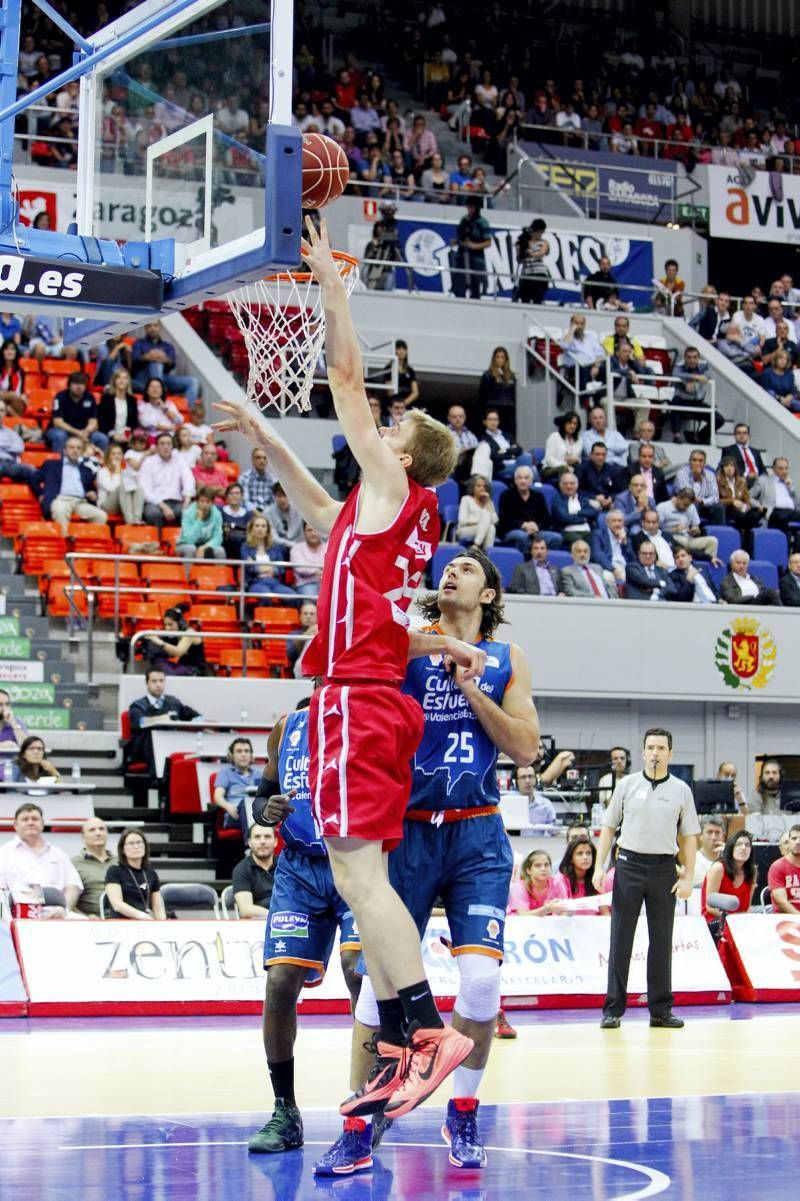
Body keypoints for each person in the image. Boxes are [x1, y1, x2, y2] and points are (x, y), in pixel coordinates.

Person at [213, 216, 480, 1124]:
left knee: (359, 874)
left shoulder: (399, 486)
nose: (380, 428)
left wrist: (332, 285)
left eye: (391, 429)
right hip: (376, 702)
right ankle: (414, 1030)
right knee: (359, 867)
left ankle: (425, 1027)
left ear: (402, 458)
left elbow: (343, 380)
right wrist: (262, 434)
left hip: (356, 704)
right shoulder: (388, 517)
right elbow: (317, 506)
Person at [333, 548, 538, 1171]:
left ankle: (464, 1112)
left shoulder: (507, 658)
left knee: (480, 984)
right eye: (447, 567)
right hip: (409, 832)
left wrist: (473, 691)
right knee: (377, 989)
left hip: (476, 834)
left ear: (489, 597)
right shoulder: (405, 647)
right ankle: (362, 1120)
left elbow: (526, 748)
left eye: (469, 569)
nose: (452, 572)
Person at [246, 698, 362, 1156]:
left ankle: (365, 1101)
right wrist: (265, 810)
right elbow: (261, 798)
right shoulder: (286, 728)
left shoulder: (366, 721)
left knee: (359, 971)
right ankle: (284, 1110)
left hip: (356, 859)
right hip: (298, 868)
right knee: (279, 982)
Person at [594, 728, 699, 1029]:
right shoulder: (626, 785)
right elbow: (609, 827)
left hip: (664, 868)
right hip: (628, 864)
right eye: (650, 747)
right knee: (621, 938)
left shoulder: (681, 790)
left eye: (661, 748)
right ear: (642, 752)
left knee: (662, 940)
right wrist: (600, 867)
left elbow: (690, 836)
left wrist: (689, 876)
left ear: (670, 753)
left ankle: (661, 1010)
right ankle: (612, 1009)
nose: (655, 752)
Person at [0, 802, 84, 914]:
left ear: (42, 823)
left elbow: (73, 885)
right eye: (25, 819)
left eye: (35, 819)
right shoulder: (4, 853)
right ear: (15, 825)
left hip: (58, 915)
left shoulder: (58, 854)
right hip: (17, 916)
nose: (30, 822)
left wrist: (64, 909)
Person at [125, 667, 200, 778]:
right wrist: (161, 718)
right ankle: (158, 778)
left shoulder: (173, 702)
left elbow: (195, 716)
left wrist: (198, 724)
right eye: (154, 681)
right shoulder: (138, 705)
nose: (158, 685)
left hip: (172, 745)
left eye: (161, 681)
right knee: (151, 736)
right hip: (144, 749)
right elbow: (140, 722)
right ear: (147, 683)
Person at [38, 434, 108, 536]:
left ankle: (85, 544)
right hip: (61, 499)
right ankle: (65, 543)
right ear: (65, 450)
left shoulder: (86, 469)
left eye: (78, 448)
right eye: (71, 447)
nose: (75, 450)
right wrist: (40, 493)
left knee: (101, 516)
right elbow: (33, 479)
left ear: (81, 451)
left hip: (81, 502)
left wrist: (92, 493)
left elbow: (90, 487)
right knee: (59, 510)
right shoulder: (52, 465)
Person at [702, 831, 756, 940]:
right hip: (715, 922)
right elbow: (710, 907)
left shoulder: (752, 871)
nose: (744, 848)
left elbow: (747, 907)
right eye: (739, 844)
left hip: (740, 922)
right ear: (730, 847)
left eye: (747, 845)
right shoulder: (718, 868)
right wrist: (733, 920)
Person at [138, 430, 196, 531]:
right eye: (162, 444)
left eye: (169, 443)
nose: (166, 446)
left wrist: (187, 501)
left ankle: (185, 544)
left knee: (190, 512)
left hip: (177, 502)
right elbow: (145, 490)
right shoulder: (148, 462)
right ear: (156, 447)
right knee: (153, 514)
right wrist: (163, 507)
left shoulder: (179, 460)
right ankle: (157, 544)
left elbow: (189, 480)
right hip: (155, 503)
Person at [132, 318, 199, 404]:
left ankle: (190, 413)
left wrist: (165, 359)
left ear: (160, 327)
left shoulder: (167, 346)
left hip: (163, 379)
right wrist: (147, 357)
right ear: (145, 328)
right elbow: (134, 360)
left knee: (193, 381)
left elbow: (172, 364)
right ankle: (159, 401)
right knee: (155, 364)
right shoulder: (139, 343)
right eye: (149, 326)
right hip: (143, 379)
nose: (152, 328)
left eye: (155, 325)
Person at [104, 829, 166, 919]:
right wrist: (140, 916)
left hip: (145, 923)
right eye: (131, 843)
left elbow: (158, 907)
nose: (136, 846)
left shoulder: (151, 873)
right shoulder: (114, 871)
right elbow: (117, 904)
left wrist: (162, 924)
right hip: (122, 923)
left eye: (139, 842)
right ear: (123, 850)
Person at [212, 738, 262, 841]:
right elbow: (217, 796)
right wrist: (228, 806)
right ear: (232, 756)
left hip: (255, 812)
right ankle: (249, 846)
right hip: (234, 814)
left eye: (246, 751)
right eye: (239, 751)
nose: (243, 754)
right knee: (246, 802)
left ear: (251, 755)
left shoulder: (258, 774)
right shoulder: (225, 773)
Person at [46, 372, 109, 453]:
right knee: (59, 436)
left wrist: (86, 432)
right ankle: (59, 463)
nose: (79, 387)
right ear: (69, 385)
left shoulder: (90, 397)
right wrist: (78, 433)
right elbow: (58, 422)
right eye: (76, 383)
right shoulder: (60, 397)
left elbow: (93, 422)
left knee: (102, 438)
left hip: (84, 432)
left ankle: (98, 464)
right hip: (64, 431)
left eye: (82, 384)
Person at [141, 605, 207, 677]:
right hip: (183, 666)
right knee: (158, 660)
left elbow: (178, 652)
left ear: (180, 623)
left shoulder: (189, 633)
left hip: (195, 670)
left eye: (170, 624)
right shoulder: (176, 633)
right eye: (165, 625)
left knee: (168, 674)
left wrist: (158, 641)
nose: (167, 628)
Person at [241, 513, 296, 598]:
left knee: (293, 597)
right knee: (266, 595)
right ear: (251, 529)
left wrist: (259, 567)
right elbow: (250, 567)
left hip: (274, 582)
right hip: (255, 582)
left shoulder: (275, 548)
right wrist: (270, 567)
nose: (260, 529)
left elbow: (280, 568)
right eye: (257, 526)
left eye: (263, 526)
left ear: (268, 530)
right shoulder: (245, 547)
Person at [72, 817, 117, 918]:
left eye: (102, 829)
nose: (98, 833)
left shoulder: (120, 862)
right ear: (83, 837)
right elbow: (68, 903)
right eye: (92, 830)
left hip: (123, 921)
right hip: (89, 924)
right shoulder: (73, 864)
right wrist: (85, 918)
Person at [717, 456, 762, 550]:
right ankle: (743, 545)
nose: (729, 468)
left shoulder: (742, 481)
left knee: (754, 515)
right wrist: (732, 501)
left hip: (741, 509)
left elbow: (747, 499)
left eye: (732, 466)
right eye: (726, 466)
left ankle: (748, 546)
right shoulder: (717, 480)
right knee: (744, 518)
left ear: (735, 468)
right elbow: (716, 500)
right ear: (722, 468)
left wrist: (747, 506)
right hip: (728, 508)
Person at [232, 826, 278, 918]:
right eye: (257, 837)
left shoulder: (286, 867)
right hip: (257, 925)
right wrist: (276, 917)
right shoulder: (241, 870)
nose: (262, 841)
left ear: (275, 842)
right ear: (249, 842)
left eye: (267, 836)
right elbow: (246, 910)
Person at [625, 540, 693, 603]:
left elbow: (672, 589)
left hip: (660, 607)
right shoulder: (631, 568)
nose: (648, 556)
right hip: (638, 606)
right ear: (639, 554)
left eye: (651, 553)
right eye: (644, 553)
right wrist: (661, 583)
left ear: (655, 555)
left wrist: (657, 592)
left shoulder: (662, 571)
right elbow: (644, 581)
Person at [452, 198, 491, 299]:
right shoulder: (464, 220)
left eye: (471, 207)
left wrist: (474, 245)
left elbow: (488, 242)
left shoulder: (482, 222)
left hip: (476, 259)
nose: (469, 209)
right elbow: (461, 235)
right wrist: (457, 241)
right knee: (459, 285)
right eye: (468, 207)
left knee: (475, 287)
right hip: (462, 256)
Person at [507, 850, 568, 914]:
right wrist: (546, 909)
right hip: (521, 923)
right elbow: (523, 915)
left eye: (546, 865)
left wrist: (568, 911)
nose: (543, 869)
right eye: (538, 865)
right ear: (528, 870)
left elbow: (564, 910)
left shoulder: (556, 883)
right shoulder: (520, 887)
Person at [558, 837, 608, 915]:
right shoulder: (561, 880)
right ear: (571, 858)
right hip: (568, 924)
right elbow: (561, 912)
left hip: (594, 924)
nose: (585, 857)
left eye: (588, 853)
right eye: (579, 853)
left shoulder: (597, 878)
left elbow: (605, 912)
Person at [97, 443, 145, 524]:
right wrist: (117, 471)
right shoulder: (102, 471)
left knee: (139, 488)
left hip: (125, 505)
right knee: (124, 486)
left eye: (119, 453)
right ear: (108, 456)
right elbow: (111, 488)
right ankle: (130, 521)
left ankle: (137, 519)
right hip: (106, 506)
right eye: (113, 454)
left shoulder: (127, 471)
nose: (117, 456)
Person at [471, 409, 523, 482]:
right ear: (485, 422)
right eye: (490, 419)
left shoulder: (506, 435)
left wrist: (505, 451)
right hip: (502, 466)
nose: (493, 422)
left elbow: (519, 450)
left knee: (526, 457)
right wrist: (512, 453)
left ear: (498, 421)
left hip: (517, 462)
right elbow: (495, 456)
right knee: (530, 470)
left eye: (495, 419)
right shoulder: (484, 439)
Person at [176, 486, 225, 563]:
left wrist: (204, 547)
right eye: (202, 501)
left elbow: (218, 537)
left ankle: (219, 574)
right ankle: (186, 575)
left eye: (208, 501)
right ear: (197, 502)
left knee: (220, 551)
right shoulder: (188, 513)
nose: (205, 504)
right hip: (184, 545)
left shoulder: (217, 514)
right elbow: (189, 540)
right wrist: (199, 521)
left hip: (205, 545)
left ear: (212, 503)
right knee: (191, 548)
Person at [551, 474, 599, 547]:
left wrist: (577, 512)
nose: (569, 486)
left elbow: (594, 512)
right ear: (561, 486)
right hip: (569, 532)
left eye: (571, 483)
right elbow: (564, 517)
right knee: (580, 544)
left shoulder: (582, 499)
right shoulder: (558, 500)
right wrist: (584, 519)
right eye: (565, 483)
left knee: (597, 540)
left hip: (587, 531)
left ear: (576, 485)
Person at [477, 347, 516, 437]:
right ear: (494, 358)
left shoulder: (511, 376)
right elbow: (482, 396)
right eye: (498, 357)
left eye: (502, 357)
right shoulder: (488, 375)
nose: (500, 360)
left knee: (508, 434)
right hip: (493, 408)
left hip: (509, 410)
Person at [0, 398, 38, 489]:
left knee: (31, 470)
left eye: (1, 410)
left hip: (10, 464)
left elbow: (19, 448)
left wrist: (2, 445)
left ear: (5, 414)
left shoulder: (11, 433)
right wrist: (8, 446)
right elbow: (13, 448)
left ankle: (42, 498)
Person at [97, 367, 138, 444]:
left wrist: (127, 435)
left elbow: (133, 422)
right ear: (114, 381)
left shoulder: (132, 400)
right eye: (118, 378)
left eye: (125, 378)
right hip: (110, 435)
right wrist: (113, 435)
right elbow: (102, 421)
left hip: (126, 436)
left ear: (128, 382)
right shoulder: (106, 399)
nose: (122, 381)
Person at [514, 218, 550, 304]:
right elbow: (519, 259)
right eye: (539, 232)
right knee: (524, 299)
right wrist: (521, 249)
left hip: (539, 274)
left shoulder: (544, 243)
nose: (541, 234)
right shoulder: (523, 242)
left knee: (537, 299)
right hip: (526, 274)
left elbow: (542, 253)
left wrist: (530, 253)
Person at [457, 474, 498, 548]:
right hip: (465, 529)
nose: (482, 488)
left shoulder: (489, 502)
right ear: (472, 488)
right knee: (487, 519)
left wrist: (488, 502)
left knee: (491, 528)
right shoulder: (466, 499)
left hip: (483, 530)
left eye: (484, 486)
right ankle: (479, 547)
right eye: (479, 486)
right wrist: (481, 522)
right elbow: (462, 521)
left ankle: (478, 547)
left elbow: (495, 521)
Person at [767, 825, 800, 913]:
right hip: (785, 919)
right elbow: (781, 902)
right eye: (794, 838)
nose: (798, 842)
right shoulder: (777, 866)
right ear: (789, 842)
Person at [541, 411, 582, 481]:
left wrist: (577, 460)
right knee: (564, 469)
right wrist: (565, 465)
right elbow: (549, 459)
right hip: (551, 468)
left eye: (575, 424)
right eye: (569, 423)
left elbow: (579, 459)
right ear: (564, 424)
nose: (572, 426)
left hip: (571, 467)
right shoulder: (554, 437)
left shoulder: (579, 439)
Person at [289, 523, 327, 596]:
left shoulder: (328, 547)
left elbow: (332, 568)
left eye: (316, 530)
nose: (313, 533)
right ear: (304, 533)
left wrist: (311, 569)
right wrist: (319, 570)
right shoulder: (296, 548)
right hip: (306, 584)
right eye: (309, 530)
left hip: (327, 584)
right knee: (310, 605)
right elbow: (300, 568)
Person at [220, 482, 252, 559]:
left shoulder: (248, 515)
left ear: (242, 496)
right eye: (231, 493)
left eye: (237, 493)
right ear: (227, 496)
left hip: (242, 548)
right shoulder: (220, 511)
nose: (234, 496)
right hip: (225, 546)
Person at [240, 447, 277, 512]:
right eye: (258, 457)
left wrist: (268, 514)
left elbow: (275, 502)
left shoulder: (273, 479)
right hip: (250, 514)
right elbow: (244, 502)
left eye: (265, 458)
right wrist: (258, 514)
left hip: (269, 515)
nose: (262, 460)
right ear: (252, 460)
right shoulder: (244, 478)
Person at [693, 818, 726, 885]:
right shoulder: (693, 861)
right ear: (701, 836)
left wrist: (728, 855)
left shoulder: (729, 858)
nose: (713, 837)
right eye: (709, 832)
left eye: (717, 833)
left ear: (723, 836)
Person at [0, 689, 29, 763]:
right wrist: (3, 745)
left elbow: (28, 748)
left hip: (12, 766)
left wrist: (13, 723)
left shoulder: (17, 721)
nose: (4, 708)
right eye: (0, 704)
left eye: (7, 704)